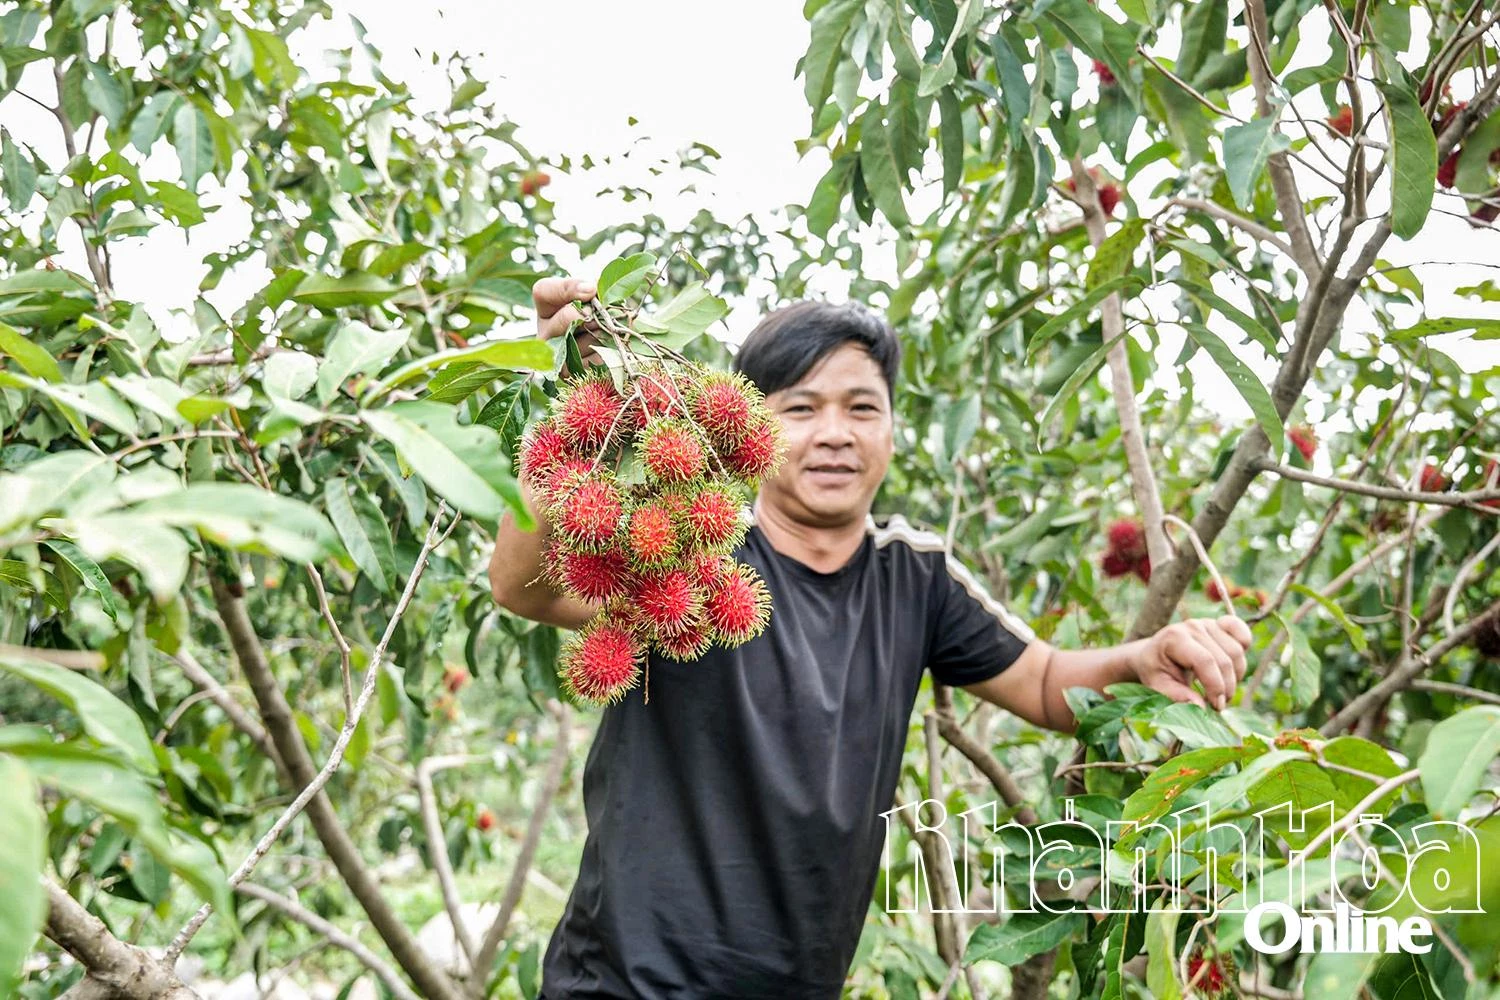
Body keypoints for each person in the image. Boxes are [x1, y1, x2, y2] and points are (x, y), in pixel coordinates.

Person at [489, 277, 1252, 999]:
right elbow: (525, 586)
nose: (834, 434)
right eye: (800, 408)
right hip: (624, 983)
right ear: (747, 429)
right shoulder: (691, 552)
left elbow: (1047, 684)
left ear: (890, 426)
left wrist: (1142, 658)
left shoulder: (915, 575)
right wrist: (578, 403)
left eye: (861, 408)